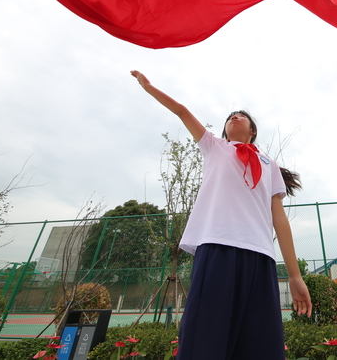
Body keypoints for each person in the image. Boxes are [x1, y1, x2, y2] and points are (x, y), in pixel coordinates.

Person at [130, 70, 312, 360]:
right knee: (204, 341)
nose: (235, 118)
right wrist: (149, 87)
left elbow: (280, 219)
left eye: (242, 116)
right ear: (225, 130)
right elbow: (182, 111)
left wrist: (294, 275)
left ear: (252, 130)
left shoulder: (270, 165)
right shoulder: (215, 147)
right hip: (218, 248)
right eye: (230, 117)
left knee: (261, 345)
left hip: (261, 257)